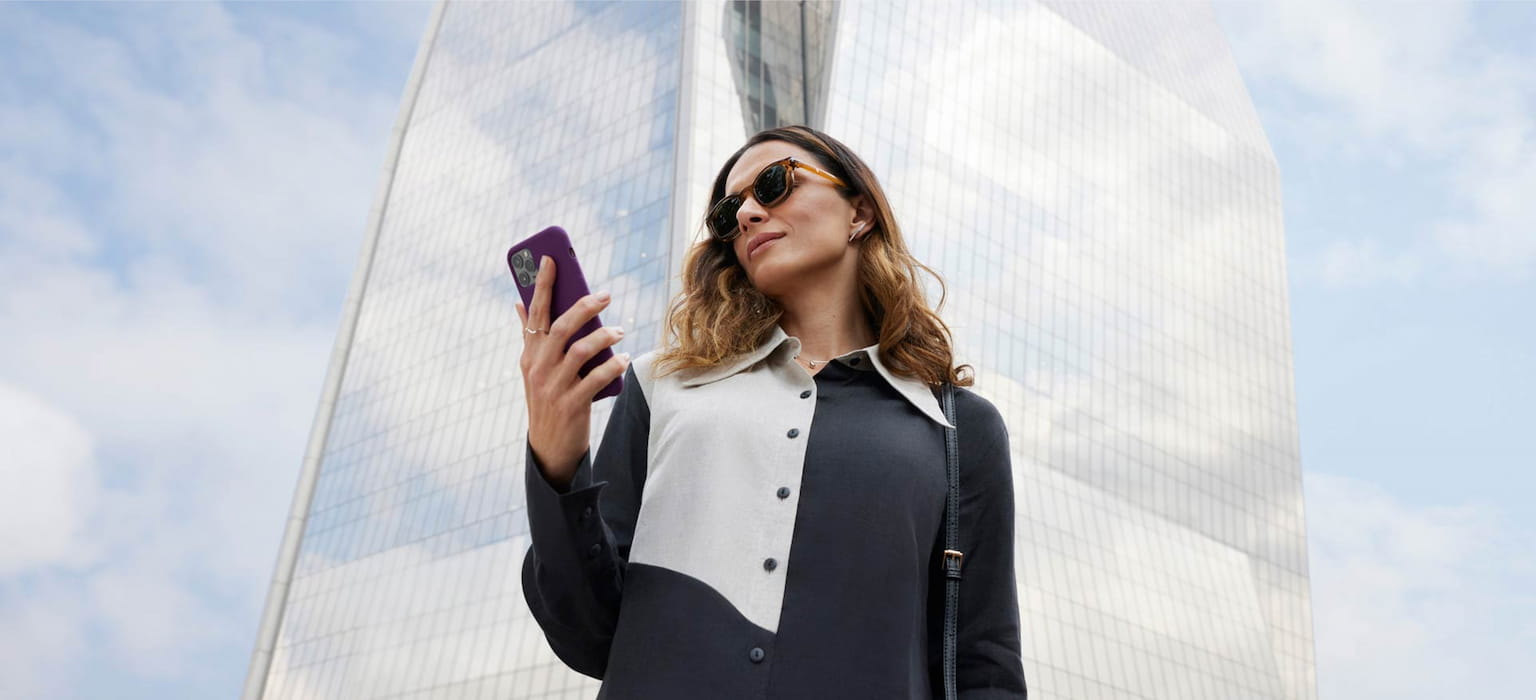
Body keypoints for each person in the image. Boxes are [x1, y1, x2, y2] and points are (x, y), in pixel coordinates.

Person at [515, 125, 1026, 699]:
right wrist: (557, 465)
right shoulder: (660, 384)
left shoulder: (959, 427)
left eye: (774, 184)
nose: (749, 215)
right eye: (730, 212)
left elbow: (985, 661)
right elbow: (587, 635)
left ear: (858, 213)